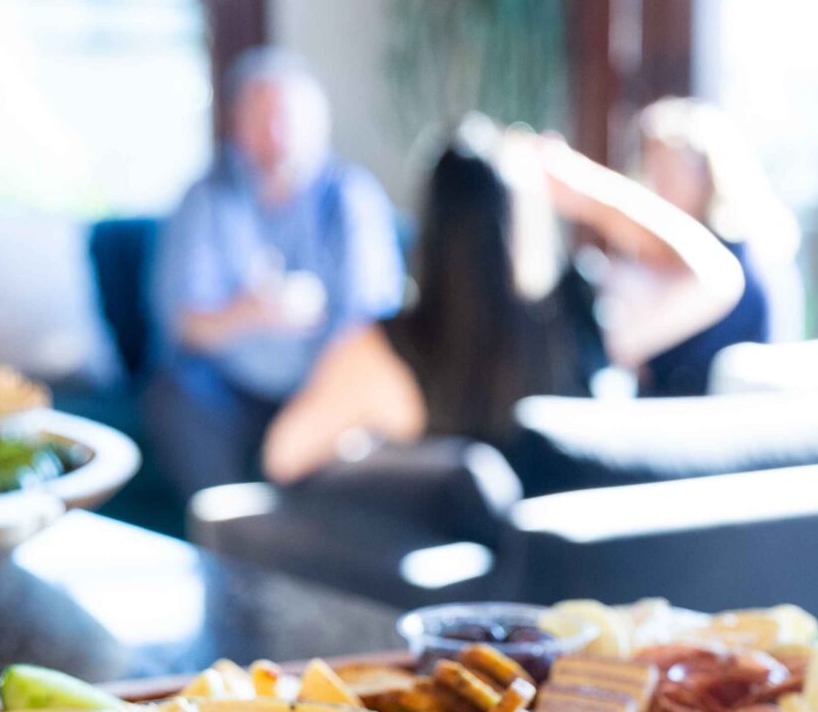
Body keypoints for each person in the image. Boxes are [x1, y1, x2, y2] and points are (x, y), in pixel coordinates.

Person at [259, 122, 740, 485]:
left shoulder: (382, 354)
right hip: (584, 582)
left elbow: (283, 456)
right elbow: (717, 276)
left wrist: (373, 454)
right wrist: (588, 190)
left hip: (460, 585)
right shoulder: (583, 321)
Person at [147, 49, 405, 499]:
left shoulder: (352, 197)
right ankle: (227, 527)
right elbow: (184, 325)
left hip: (322, 382)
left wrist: (314, 402)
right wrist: (249, 312)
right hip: (230, 390)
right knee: (173, 396)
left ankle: (303, 525)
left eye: (287, 116)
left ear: (319, 124)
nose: (276, 132)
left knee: (361, 400)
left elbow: (370, 319)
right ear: (236, 125)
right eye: (261, 116)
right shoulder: (205, 199)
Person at [619, 98, 800, 393]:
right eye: (653, 168)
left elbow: (626, 344)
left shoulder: (727, 261)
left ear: (709, 174)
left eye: (671, 170)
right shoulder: (664, 256)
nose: (659, 184)